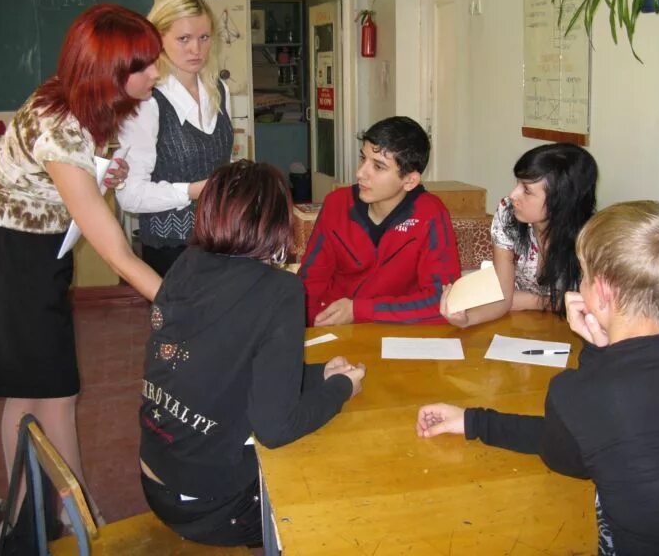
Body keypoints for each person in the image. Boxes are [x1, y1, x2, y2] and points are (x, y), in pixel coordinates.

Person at [417, 201, 659, 555]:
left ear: (601, 293)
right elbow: (595, 433)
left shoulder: (579, 393)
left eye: (584, 276)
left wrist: (597, 352)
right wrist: (473, 420)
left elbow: (568, 453)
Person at [0, 4, 163, 523]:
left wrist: (102, 169)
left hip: (38, 249)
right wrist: (180, 303)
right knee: (52, 387)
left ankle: (52, 506)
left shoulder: (74, 100)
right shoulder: (59, 126)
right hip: (14, 258)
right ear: (108, 71)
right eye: (142, 66)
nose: (156, 73)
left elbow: (69, 174)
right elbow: (117, 252)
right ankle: (64, 509)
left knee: (42, 388)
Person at [139, 160, 366, 548]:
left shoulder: (187, 264)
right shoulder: (280, 291)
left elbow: (229, 367)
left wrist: (318, 374)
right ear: (279, 222)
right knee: (341, 477)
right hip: (216, 507)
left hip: (157, 482)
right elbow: (275, 429)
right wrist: (341, 388)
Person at [299, 116, 461, 326]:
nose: (360, 173)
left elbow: (444, 303)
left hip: (398, 335)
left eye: (378, 166)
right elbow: (309, 282)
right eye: (362, 158)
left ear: (410, 181)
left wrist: (360, 310)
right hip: (335, 331)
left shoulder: (430, 214)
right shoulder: (336, 204)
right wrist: (305, 332)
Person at [116, 0, 233, 277]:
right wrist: (191, 191)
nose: (196, 49)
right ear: (158, 39)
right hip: (170, 253)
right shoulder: (148, 99)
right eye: (184, 39)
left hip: (222, 242)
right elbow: (130, 195)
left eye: (204, 38)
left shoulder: (219, 90)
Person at [442, 143, 597, 327]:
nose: (513, 194)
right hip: (517, 322)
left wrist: (533, 301)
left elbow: (593, 306)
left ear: (561, 200)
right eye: (517, 184)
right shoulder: (508, 213)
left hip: (569, 328)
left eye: (527, 190)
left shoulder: (592, 238)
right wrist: (466, 320)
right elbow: (503, 298)